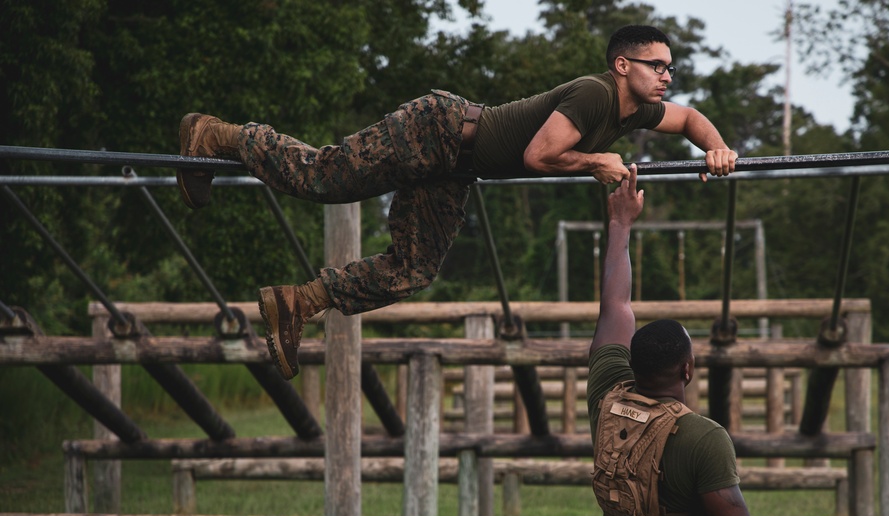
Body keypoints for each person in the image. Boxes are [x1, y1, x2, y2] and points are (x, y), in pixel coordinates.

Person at [176, 25, 737, 379]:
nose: (667, 76)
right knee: (322, 177)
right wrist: (596, 161)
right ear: (623, 66)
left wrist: (716, 148)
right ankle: (216, 135)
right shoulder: (594, 94)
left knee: (413, 270)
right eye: (656, 66)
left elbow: (689, 119)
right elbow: (542, 156)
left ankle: (297, 302)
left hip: (455, 168)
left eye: (669, 68)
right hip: (438, 129)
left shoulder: (638, 111)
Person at [586, 165, 790, 516]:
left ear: (633, 362)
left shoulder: (606, 397)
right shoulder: (702, 437)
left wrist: (620, 225)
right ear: (688, 368)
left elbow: (615, 303)